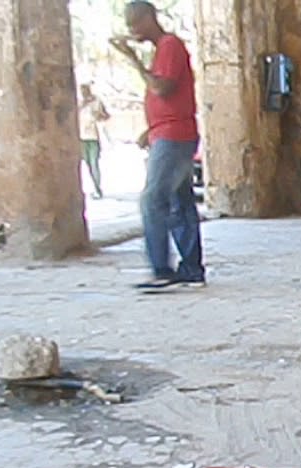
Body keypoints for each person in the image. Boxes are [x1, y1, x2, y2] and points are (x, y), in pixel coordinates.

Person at [111, 1, 205, 291]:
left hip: (174, 136)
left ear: (149, 18)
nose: (132, 31)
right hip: (169, 132)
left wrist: (133, 60)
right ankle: (191, 269)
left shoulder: (169, 46)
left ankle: (161, 269)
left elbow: (162, 88)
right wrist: (149, 130)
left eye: (135, 23)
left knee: (153, 200)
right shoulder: (163, 50)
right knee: (181, 202)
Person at [78, 83, 110, 199]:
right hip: (80, 137)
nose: (84, 93)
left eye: (85, 90)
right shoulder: (78, 102)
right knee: (86, 163)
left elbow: (106, 116)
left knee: (94, 163)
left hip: (92, 136)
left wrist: (99, 116)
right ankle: (89, 187)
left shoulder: (96, 102)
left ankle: (97, 188)